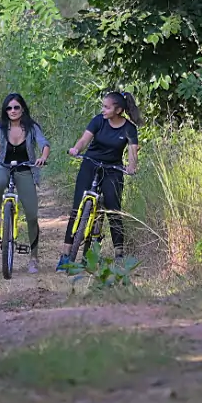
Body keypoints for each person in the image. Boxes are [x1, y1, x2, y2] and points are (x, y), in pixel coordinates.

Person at [58, 90, 141, 269]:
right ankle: (65, 254)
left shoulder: (129, 128)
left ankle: (119, 254)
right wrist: (76, 149)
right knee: (76, 208)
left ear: (118, 110)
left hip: (113, 169)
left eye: (106, 107)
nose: (102, 110)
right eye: (102, 106)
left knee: (113, 210)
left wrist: (132, 166)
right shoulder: (98, 121)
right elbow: (84, 140)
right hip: (90, 163)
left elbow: (133, 151)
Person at [0, 93, 52, 274]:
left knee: (32, 216)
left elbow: (44, 144)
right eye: (9, 108)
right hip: (4, 166)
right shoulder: (1, 127)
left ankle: (34, 258)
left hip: (25, 169)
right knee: (0, 181)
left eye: (16, 107)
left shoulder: (32, 128)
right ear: (5, 110)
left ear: (22, 108)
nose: (12, 111)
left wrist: (42, 157)